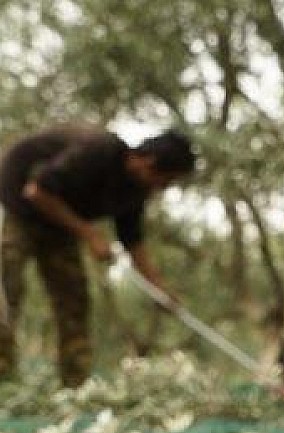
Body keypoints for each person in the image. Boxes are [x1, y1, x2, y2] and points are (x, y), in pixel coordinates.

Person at [0, 126, 196, 387]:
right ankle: (3, 377)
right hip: (21, 208)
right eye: (165, 180)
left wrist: (159, 289)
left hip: (60, 223)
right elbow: (37, 192)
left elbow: (133, 242)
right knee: (6, 287)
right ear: (148, 163)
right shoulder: (98, 151)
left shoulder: (134, 191)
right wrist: (89, 234)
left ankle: (75, 385)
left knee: (74, 298)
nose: (162, 188)